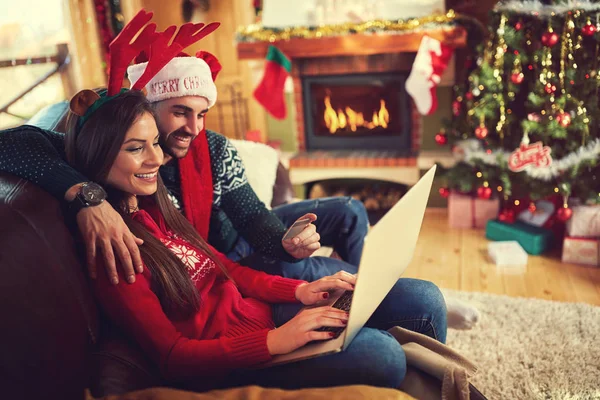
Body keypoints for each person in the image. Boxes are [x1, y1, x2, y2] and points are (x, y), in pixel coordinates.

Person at [0, 14, 447, 342]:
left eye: (201, 114)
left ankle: (371, 289)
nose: (194, 129)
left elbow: (252, 216)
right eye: (180, 113)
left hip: (230, 244)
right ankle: (371, 298)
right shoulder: (111, 148)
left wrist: (283, 241)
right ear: (147, 107)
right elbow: (10, 142)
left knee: (348, 211)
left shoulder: (211, 148)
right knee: (323, 272)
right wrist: (86, 196)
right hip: (217, 266)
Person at [66, 87, 407, 390]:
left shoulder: (156, 205)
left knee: (414, 296)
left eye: (154, 142)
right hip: (240, 358)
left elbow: (226, 267)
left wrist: (300, 290)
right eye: (135, 148)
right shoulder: (113, 250)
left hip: (261, 319)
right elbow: (173, 356)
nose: (156, 158)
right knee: (383, 354)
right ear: (99, 154)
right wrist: (277, 340)